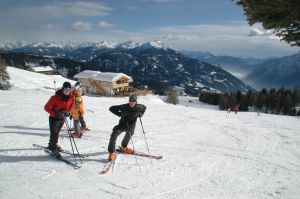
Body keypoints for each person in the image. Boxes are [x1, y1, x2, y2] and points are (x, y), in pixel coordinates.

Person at [107, 94, 146, 161]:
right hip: (122, 124)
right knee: (114, 134)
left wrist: (140, 114)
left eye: (133, 100)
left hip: (131, 125)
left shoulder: (139, 107)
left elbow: (144, 107)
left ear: (136, 101)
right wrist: (120, 114)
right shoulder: (124, 106)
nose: (132, 102)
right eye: (130, 100)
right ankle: (112, 152)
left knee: (129, 134)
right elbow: (111, 108)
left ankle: (124, 147)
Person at [44, 81, 74, 158]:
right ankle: (52, 148)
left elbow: (71, 106)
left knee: (57, 132)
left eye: (69, 90)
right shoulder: (55, 97)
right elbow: (46, 107)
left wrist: (68, 112)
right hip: (54, 118)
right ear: (62, 89)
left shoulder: (71, 98)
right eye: (66, 89)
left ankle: (54, 144)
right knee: (54, 132)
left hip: (62, 118)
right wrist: (55, 113)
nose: (67, 91)